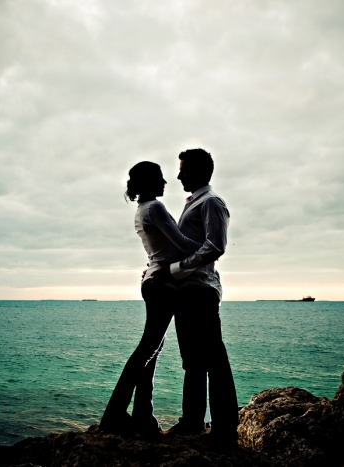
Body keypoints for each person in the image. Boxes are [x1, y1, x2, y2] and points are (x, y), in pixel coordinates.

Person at [99, 161, 201, 436]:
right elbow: (181, 243)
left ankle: (143, 417)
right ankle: (114, 416)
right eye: (160, 178)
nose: (165, 182)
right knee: (146, 351)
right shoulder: (154, 207)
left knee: (150, 354)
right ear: (150, 182)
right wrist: (209, 248)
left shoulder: (142, 209)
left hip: (155, 281)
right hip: (162, 285)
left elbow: (163, 248)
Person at [150, 148, 239, 445]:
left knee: (214, 359)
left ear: (200, 171)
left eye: (184, 170)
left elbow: (215, 247)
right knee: (193, 360)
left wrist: (174, 269)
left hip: (200, 289)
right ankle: (191, 423)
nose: (178, 175)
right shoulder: (195, 202)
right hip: (187, 290)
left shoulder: (212, 202)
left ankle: (225, 430)